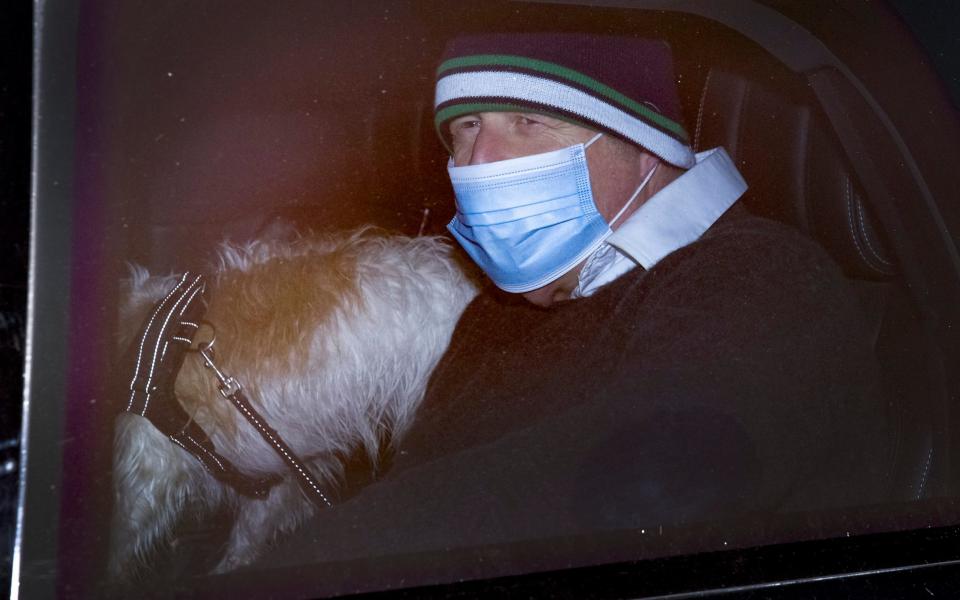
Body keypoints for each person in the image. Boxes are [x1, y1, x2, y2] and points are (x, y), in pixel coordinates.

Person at [260, 32, 892, 568]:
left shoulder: (760, 276)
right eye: (466, 127)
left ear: (646, 142)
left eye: (528, 122)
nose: (479, 163)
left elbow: (641, 490)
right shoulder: (498, 313)